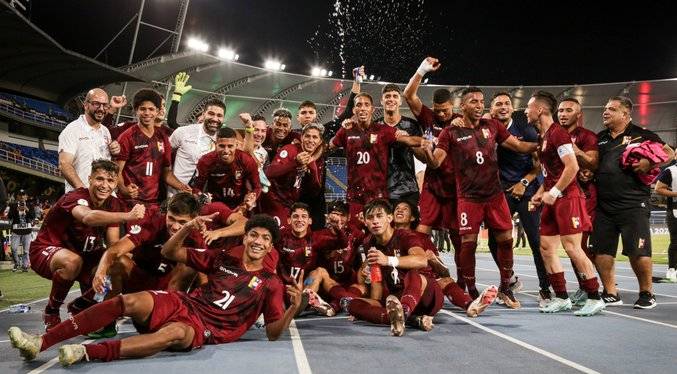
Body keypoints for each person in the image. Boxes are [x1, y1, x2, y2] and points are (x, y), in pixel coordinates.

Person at [8, 214, 304, 366]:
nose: (257, 241)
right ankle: (41, 342)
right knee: (129, 301)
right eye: (253, 234)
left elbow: (273, 333)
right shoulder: (222, 258)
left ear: (270, 245)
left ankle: (86, 352)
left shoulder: (272, 283)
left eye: (265, 238)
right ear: (247, 235)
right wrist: (187, 228)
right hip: (185, 303)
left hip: (207, 329)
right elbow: (172, 252)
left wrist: (293, 307)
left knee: (173, 334)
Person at [422, 87, 537, 307]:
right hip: (468, 197)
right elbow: (436, 162)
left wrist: (544, 143)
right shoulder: (450, 132)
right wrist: (427, 150)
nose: (478, 105)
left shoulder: (492, 126)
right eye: (473, 101)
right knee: (468, 245)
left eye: (481, 101)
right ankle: (473, 291)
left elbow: (520, 146)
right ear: (462, 106)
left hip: (494, 195)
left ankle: (505, 288)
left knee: (506, 239)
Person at [28, 160, 145, 330]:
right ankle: (52, 311)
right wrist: (128, 216)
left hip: (86, 256)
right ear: (90, 178)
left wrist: (112, 264)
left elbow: (112, 244)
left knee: (120, 262)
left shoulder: (113, 204)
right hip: (46, 250)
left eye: (110, 181)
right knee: (72, 261)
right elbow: (87, 217)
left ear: (115, 184)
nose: (104, 185)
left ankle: (81, 304)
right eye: (100, 179)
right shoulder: (75, 197)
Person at [526, 91, 604, 316]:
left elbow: (573, 167)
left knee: (572, 248)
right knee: (546, 248)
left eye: (529, 107)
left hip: (568, 198)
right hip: (553, 198)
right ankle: (561, 297)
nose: (525, 111)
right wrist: (540, 193)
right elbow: (551, 173)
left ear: (539, 110)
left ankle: (594, 296)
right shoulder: (545, 136)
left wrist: (556, 191)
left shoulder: (558, 134)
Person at [591, 96, 673, 309]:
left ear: (625, 114)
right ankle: (610, 292)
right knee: (602, 251)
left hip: (633, 203)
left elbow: (669, 153)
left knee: (639, 251)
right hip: (603, 205)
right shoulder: (599, 138)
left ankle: (647, 293)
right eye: (605, 108)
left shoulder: (642, 134)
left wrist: (649, 161)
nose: (605, 112)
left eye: (611, 109)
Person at [403, 57, 463, 287]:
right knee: (421, 230)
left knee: (460, 239)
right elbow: (409, 95)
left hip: (456, 187)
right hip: (432, 184)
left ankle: (465, 282)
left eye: (445, 110)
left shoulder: (461, 121)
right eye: (438, 110)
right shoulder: (428, 118)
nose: (441, 114)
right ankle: (425, 273)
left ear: (453, 106)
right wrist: (421, 70)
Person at [485, 91, 549, 302]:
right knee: (495, 241)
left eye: (507, 103)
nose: (503, 107)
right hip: (500, 192)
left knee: (535, 240)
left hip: (527, 190)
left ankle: (545, 288)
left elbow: (539, 164)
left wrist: (524, 182)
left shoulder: (526, 129)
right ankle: (509, 279)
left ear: (513, 108)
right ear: (491, 109)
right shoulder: (485, 128)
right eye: (498, 104)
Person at [345, 199, 443, 336]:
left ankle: (404, 312)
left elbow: (422, 260)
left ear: (390, 218)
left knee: (413, 275)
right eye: (370, 217)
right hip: (397, 296)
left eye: (379, 216)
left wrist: (388, 260)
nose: (375, 221)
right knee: (351, 305)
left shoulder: (406, 235)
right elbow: (377, 289)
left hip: (426, 294)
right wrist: (371, 275)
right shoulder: (369, 243)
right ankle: (408, 319)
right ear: (365, 222)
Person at [328, 93, 423, 229]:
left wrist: (426, 141)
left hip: (378, 197)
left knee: (380, 237)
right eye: (359, 105)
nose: (362, 108)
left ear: (372, 109)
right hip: (355, 197)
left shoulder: (382, 131)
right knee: (355, 236)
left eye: (366, 105)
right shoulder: (346, 131)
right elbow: (329, 145)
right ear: (354, 110)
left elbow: (409, 140)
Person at [391, 200, 497, 318]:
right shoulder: (387, 236)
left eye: (404, 208)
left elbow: (444, 272)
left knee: (445, 280)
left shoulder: (422, 239)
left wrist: (434, 261)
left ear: (412, 218)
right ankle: (405, 313)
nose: (399, 210)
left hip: (426, 285)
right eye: (397, 208)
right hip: (400, 281)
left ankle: (471, 305)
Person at [114, 89, 190, 207]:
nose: (147, 113)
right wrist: (124, 190)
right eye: (142, 109)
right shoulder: (127, 137)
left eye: (151, 109)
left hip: (154, 202)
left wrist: (181, 186)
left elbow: (166, 172)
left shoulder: (163, 137)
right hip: (130, 202)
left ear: (158, 111)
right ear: (136, 111)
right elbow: (116, 170)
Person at [557, 97, 599, 305]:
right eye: (561, 110)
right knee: (555, 246)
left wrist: (575, 150)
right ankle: (578, 287)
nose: (563, 114)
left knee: (578, 246)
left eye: (568, 110)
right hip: (558, 196)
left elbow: (592, 163)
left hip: (581, 197)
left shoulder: (587, 136)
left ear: (578, 114)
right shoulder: (552, 134)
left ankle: (593, 290)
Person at [260, 123, 324, 226]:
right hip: (273, 201)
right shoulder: (290, 149)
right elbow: (269, 172)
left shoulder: (311, 161)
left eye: (315, 137)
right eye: (307, 136)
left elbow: (315, 190)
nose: (310, 140)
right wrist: (295, 163)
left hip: (289, 205)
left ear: (319, 142)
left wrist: (312, 171)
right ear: (302, 137)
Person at [58, 88, 118, 193]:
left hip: (102, 196)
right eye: (96, 104)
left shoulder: (105, 132)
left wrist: (115, 152)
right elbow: (64, 164)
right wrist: (83, 191)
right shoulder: (72, 130)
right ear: (86, 105)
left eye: (105, 105)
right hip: (80, 196)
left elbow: (108, 165)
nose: (101, 109)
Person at [191, 127, 262, 210]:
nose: (226, 150)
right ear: (215, 144)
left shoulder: (246, 160)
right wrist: (203, 199)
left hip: (240, 206)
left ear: (236, 145)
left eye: (230, 146)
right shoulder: (205, 161)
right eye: (221, 146)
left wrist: (250, 200)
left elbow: (257, 187)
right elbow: (196, 188)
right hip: (214, 205)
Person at [375, 84, 421, 206]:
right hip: (380, 191)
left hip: (408, 190)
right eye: (387, 96)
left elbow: (423, 157)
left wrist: (408, 140)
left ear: (400, 101)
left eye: (395, 96)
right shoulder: (374, 127)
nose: (391, 99)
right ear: (381, 101)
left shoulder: (411, 125)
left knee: (408, 225)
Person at [169, 99, 225, 195]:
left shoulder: (223, 142)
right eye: (211, 114)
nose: (215, 119)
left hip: (203, 197)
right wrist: (175, 183)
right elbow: (164, 159)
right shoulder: (183, 132)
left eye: (219, 115)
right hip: (176, 194)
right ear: (203, 114)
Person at [655, 159, 677, 282]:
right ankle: (671, 270)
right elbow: (658, 188)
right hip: (675, 210)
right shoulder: (670, 170)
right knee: (675, 242)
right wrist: (676, 194)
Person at [7, 189, 35, 271]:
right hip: (16, 230)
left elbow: (33, 216)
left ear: (26, 197)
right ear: (17, 197)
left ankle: (25, 265)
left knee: (26, 251)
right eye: (20, 195)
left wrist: (27, 209)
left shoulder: (30, 205)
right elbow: (9, 217)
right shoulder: (13, 205)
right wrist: (15, 210)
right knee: (14, 248)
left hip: (27, 230)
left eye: (23, 195)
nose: (22, 196)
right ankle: (17, 263)